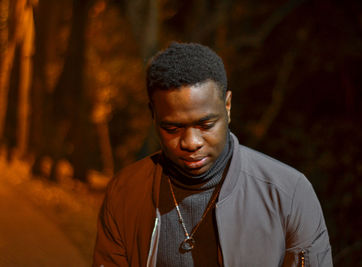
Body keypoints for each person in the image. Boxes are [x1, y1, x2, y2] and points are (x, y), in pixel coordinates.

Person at [93, 42, 332, 267]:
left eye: (206, 125)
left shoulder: (289, 193)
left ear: (227, 106)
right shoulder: (125, 192)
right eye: (172, 129)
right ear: (152, 115)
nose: (191, 142)